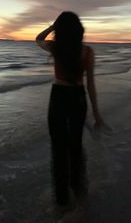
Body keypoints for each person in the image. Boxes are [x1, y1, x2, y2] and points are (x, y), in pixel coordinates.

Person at [36, 11, 108, 206]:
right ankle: (78, 186)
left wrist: (52, 27)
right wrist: (96, 113)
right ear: (79, 30)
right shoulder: (87, 51)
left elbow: (38, 39)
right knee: (75, 144)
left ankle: (61, 197)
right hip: (78, 97)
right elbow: (91, 84)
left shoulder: (55, 48)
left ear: (60, 29)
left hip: (58, 96)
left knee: (58, 148)